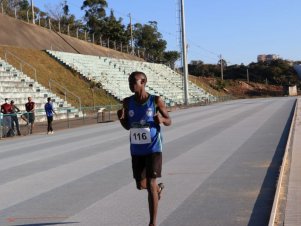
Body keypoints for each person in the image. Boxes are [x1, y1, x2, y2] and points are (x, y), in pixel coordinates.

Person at [117, 71, 171, 226]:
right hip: (137, 150)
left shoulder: (155, 101)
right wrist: (121, 118)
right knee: (141, 185)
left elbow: (169, 121)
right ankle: (157, 191)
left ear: (144, 82)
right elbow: (128, 126)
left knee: (151, 184)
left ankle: (152, 223)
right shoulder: (127, 102)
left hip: (153, 148)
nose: (130, 83)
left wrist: (161, 119)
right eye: (129, 81)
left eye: (134, 81)